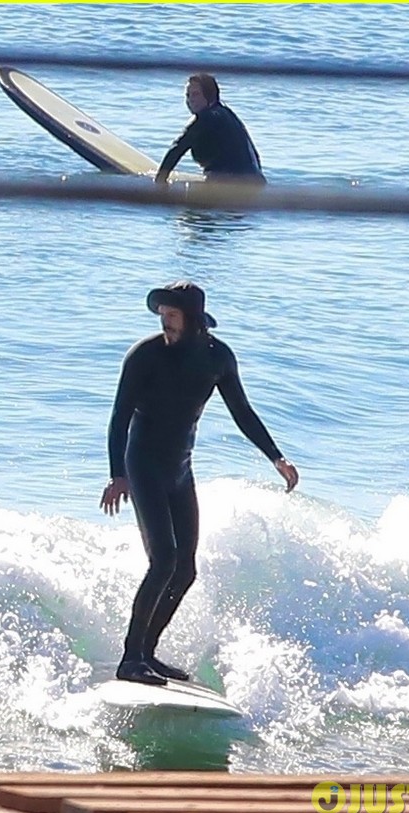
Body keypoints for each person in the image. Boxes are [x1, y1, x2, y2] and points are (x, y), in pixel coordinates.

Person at [100, 281, 297, 685]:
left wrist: (275, 456)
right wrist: (117, 474)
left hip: (179, 469)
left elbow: (242, 410)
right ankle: (130, 659)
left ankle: (147, 654)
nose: (164, 323)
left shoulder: (217, 358)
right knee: (164, 561)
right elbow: (119, 417)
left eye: (171, 316)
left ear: (192, 320)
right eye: (162, 316)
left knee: (185, 569)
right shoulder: (145, 356)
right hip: (143, 466)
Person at [155, 73, 265, 184]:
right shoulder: (228, 115)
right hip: (257, 182)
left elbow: (177, 148)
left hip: (233, 187)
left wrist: (159, 179)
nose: (190, 100)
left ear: (210, 95)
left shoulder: (206, 118)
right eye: (188, 95)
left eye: (196, 94)